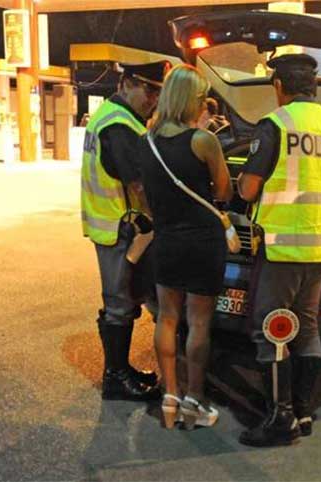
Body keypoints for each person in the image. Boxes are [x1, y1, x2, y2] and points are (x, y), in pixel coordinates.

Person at [236, 53, 321, 447]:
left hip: (284, 246)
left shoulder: (277, 125)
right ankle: (303, 411)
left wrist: (240, 187)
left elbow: (249, 189)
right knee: (307, 328)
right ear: (314, 88)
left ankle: (278, 418)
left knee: (270, 331)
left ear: (279, 87)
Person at [138, 64, 233, 429]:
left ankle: (169, 398)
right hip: (202, 243)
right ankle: (195, 399)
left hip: (167, 241)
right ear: (193, 100)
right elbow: (223, 192)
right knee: (198, 323)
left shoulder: (145, 141)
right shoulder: (202, 141)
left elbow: (143, 193)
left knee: (166, 318)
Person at [81, 60, 170, 402]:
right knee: (120, 302)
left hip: (111, 223)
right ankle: (115, 377)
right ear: (127, 83)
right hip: (122, 226)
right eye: (149, 89)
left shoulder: (112, 116)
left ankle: (121, 369)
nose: (153, 99)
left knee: (124, 298)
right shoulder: (120, 126)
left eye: (158, 92)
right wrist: (161, 220)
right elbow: (139, 185)